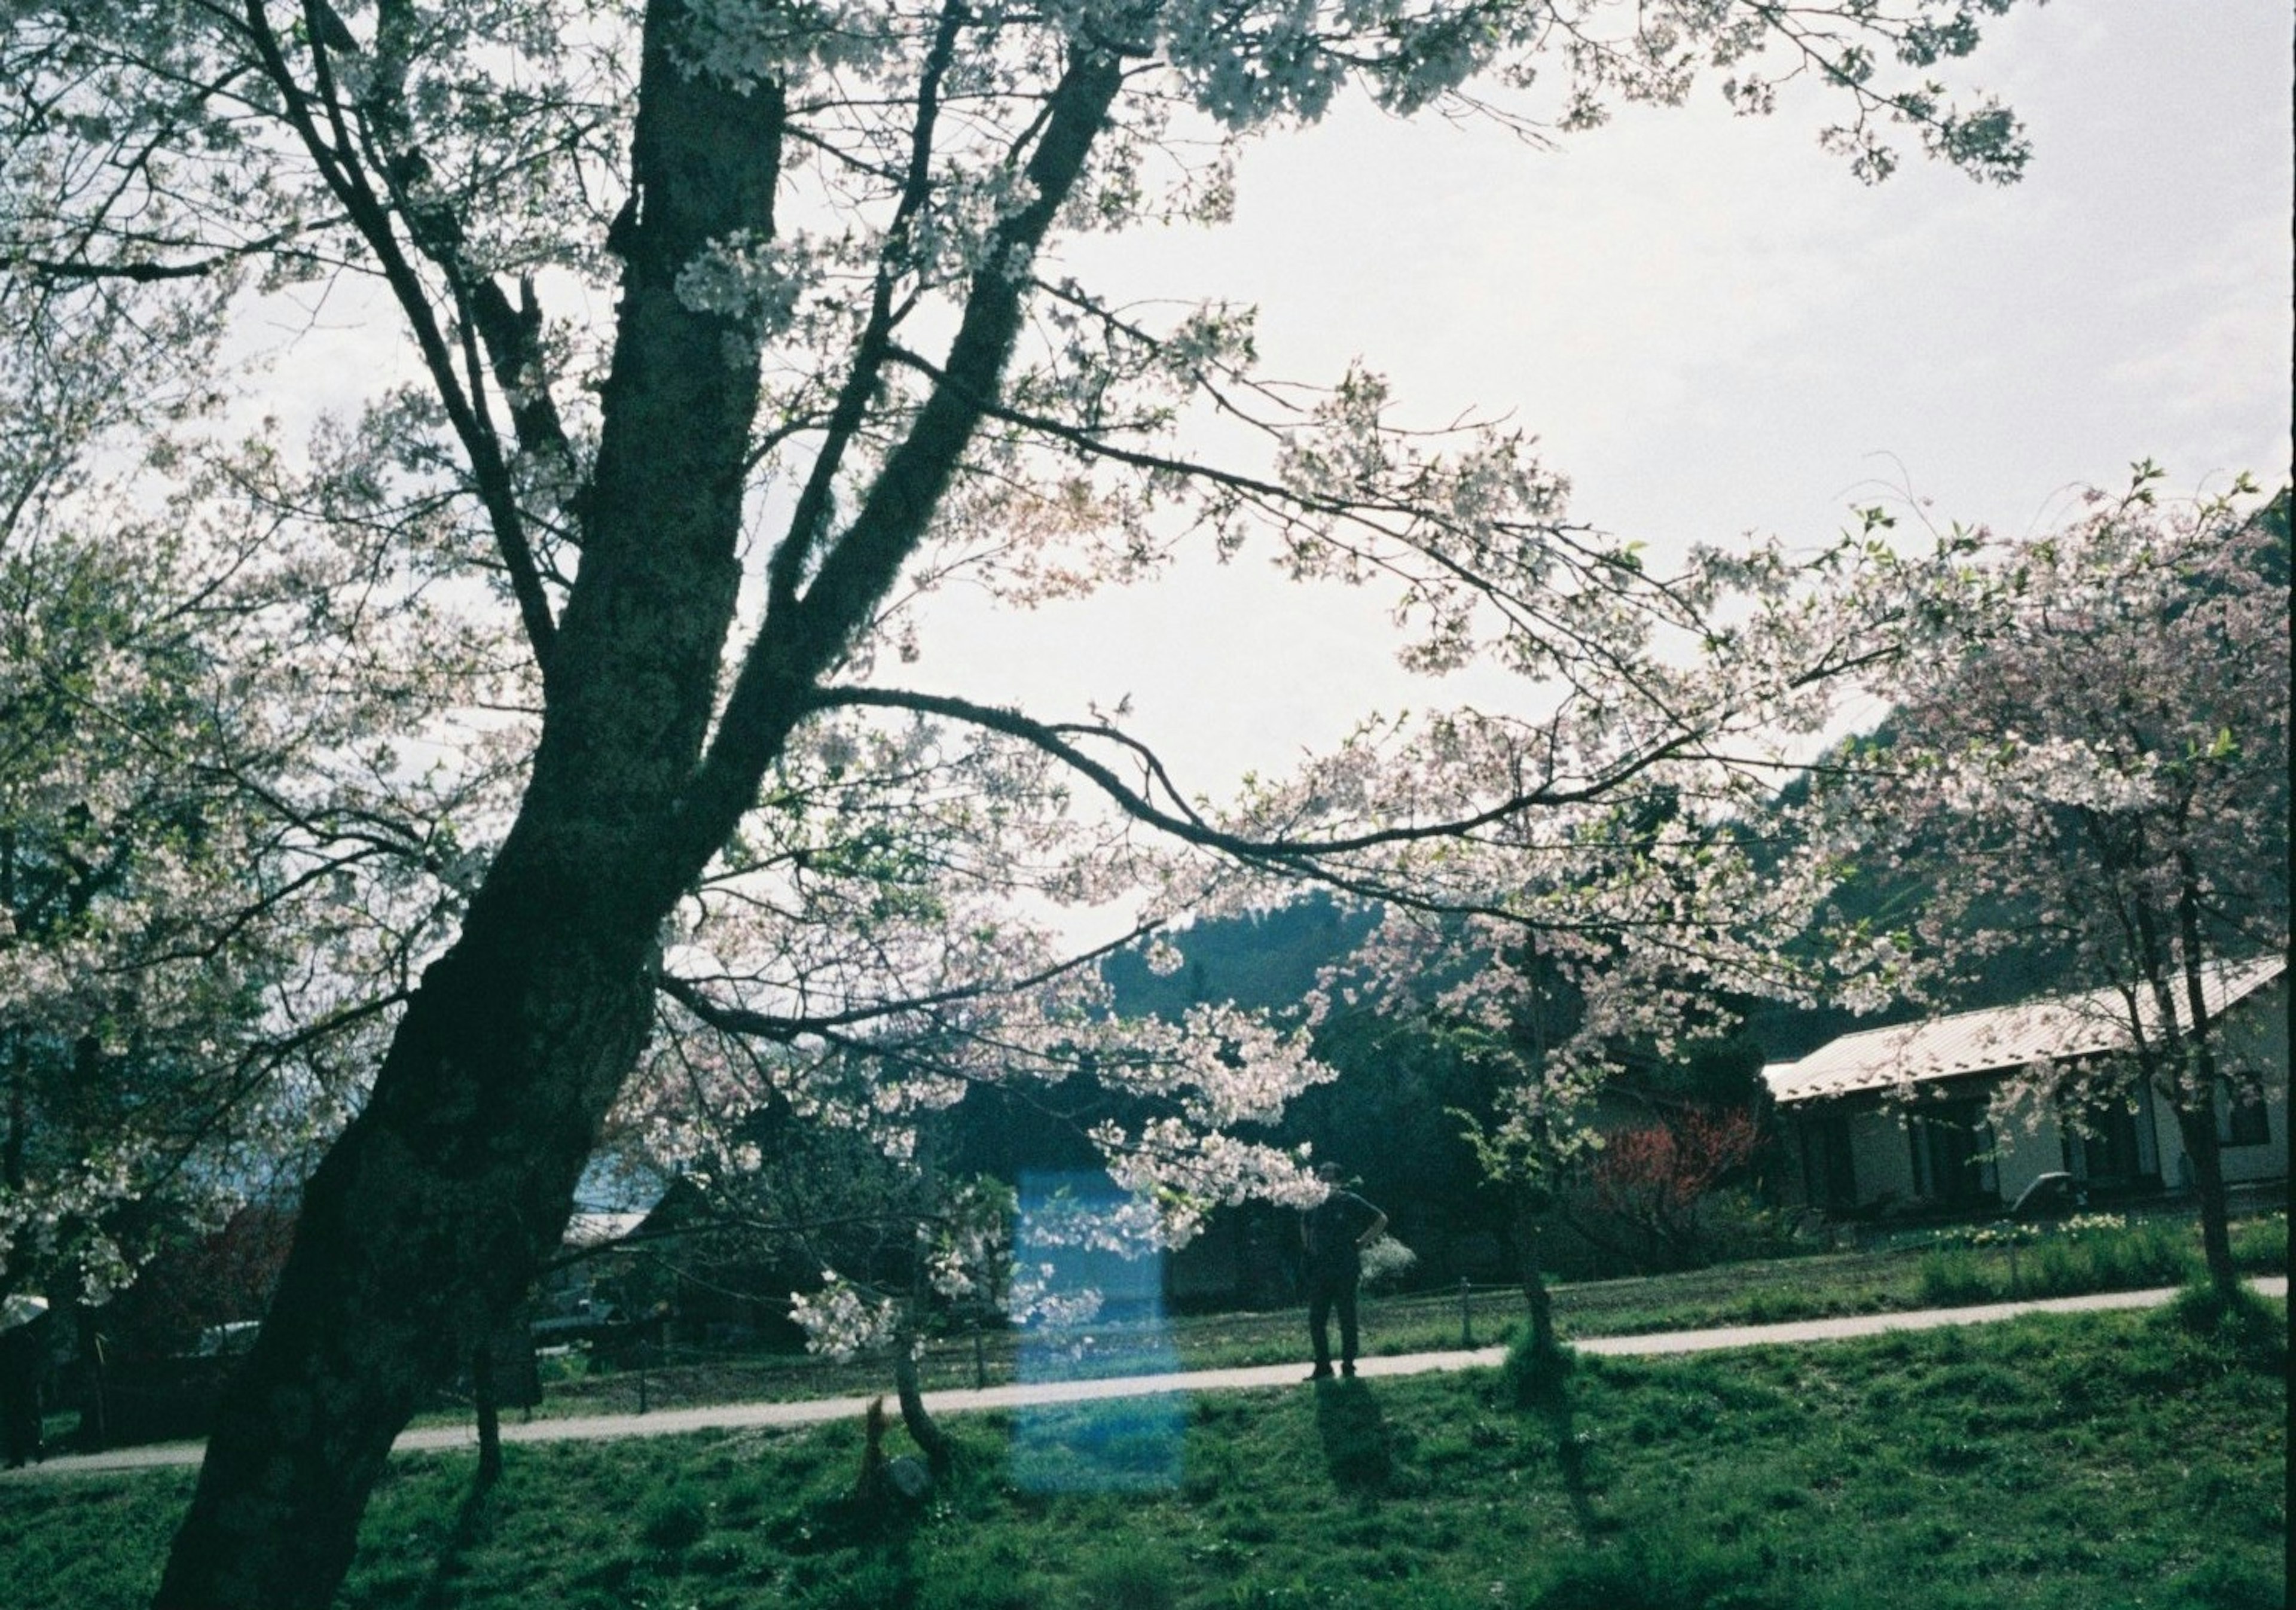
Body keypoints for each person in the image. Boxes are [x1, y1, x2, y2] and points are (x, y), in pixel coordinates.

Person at [1301, 1163, 1386, 1380]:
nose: (1323, 1180)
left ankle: (1348, 1363)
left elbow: (1380, 1219)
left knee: (1346, 1316)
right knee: (1316, 1318)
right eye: (1320, 1176)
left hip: (1345, 1267)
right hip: (1320, 1268)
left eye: (1328, 1177)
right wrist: (1309, 1246)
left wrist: (1362, 1242)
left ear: (1339, 1181)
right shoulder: (1313, 1204)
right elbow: (1305, 1225)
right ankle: (1323, 1365)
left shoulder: (1349, 1201)